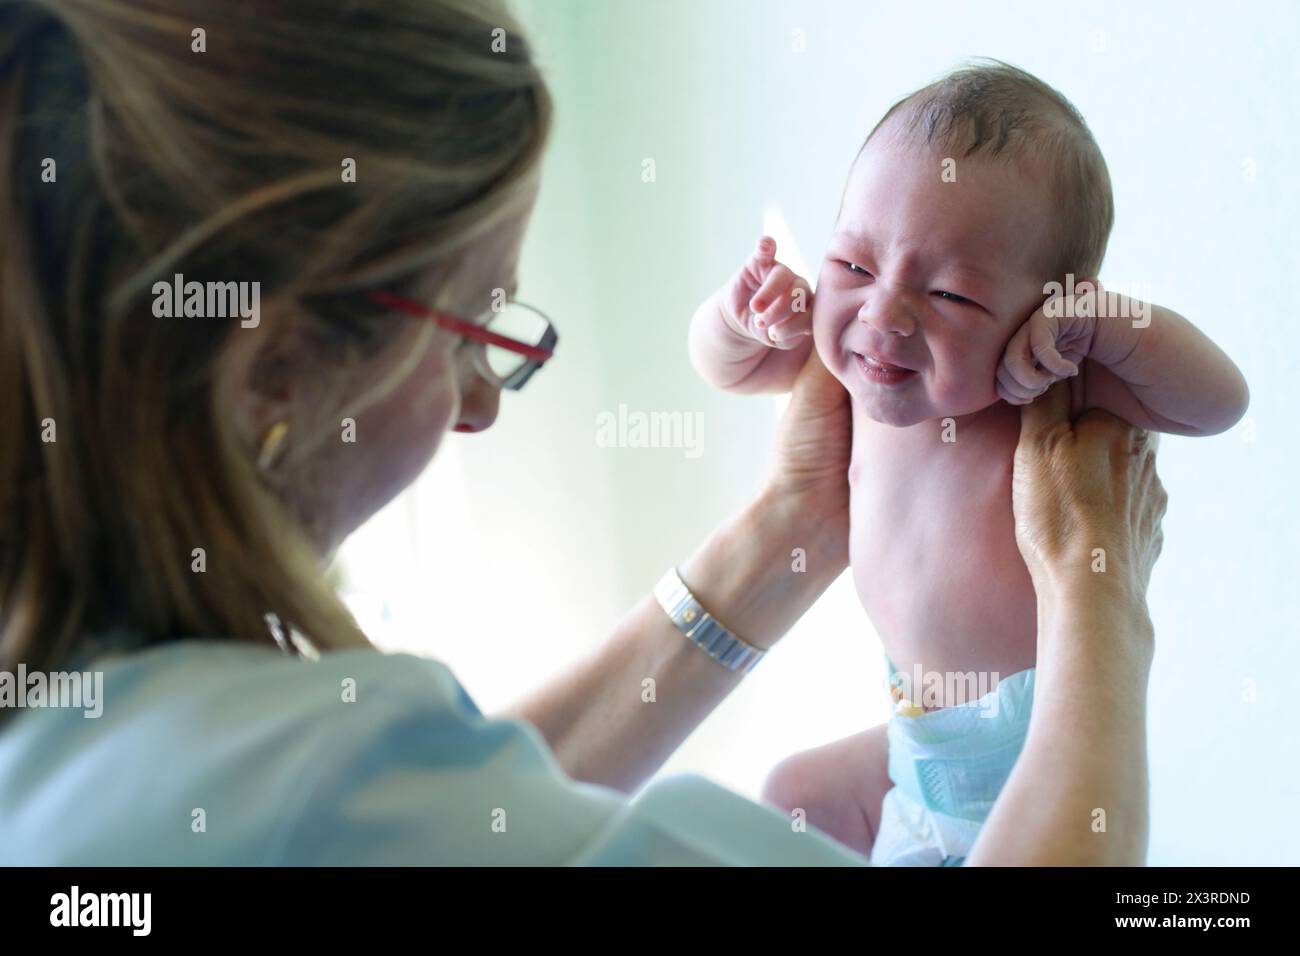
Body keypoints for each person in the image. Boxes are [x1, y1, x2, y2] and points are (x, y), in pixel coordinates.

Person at [0, 0, 1165, 865]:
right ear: (276, 367)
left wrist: (793, 527)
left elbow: (457, 807)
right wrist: (1097, 601)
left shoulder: (113, 730)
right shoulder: (294, 784)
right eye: (472, 326)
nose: (479, 399)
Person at [687, 62, 1247, 864]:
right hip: (916, 748)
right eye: (853, 265)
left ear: (1045, 309)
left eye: (951, 297)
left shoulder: (1049, 391)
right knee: (789, 795)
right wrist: (739, 317)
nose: (883, 313)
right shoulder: (852, 363)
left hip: (1032, 758)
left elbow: (1220, 401)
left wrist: (1105, 325)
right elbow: (726, 366)